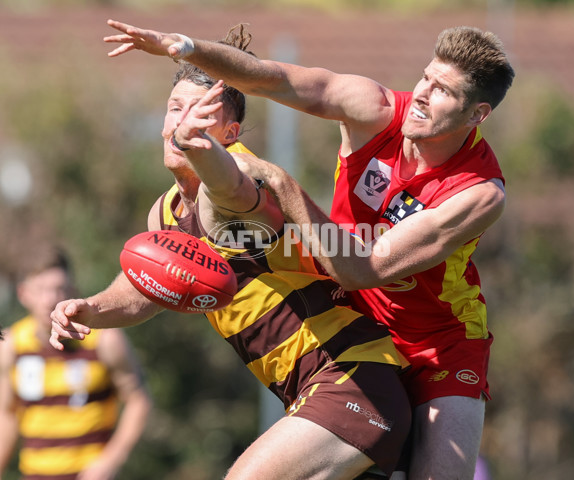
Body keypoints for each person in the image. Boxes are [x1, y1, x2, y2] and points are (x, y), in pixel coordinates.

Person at [101, 20, 515, 480]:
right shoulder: (374, 109)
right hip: (352, 322)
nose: (421, 94)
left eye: (443, 92)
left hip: (438, 343)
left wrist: (284, 186)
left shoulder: (478, 192)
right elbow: (270, 78)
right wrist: (186, 47)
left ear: (477, 115)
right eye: (426, 78)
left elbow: (364, 267)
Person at [49, 50, 413, 479]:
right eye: (176, 110)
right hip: (316, 396)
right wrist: (91, 309)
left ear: (230, 133)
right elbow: (147, 287)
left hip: (353, 379)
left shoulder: (236, 186)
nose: (183, 122)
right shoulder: (164, 213)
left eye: (202, 115)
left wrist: (199, 146)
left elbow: (228, 187)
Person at [0, 245, 152, 480]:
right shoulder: (11, 345)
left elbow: (138, 401)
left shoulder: (104, 340)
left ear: (71, 287)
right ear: (23, 294)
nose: (51, 299)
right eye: (41, 289)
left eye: (59, 288)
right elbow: (7, 415)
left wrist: (109, 462)